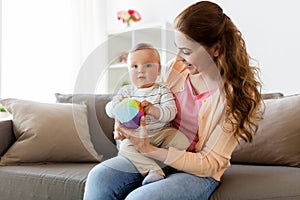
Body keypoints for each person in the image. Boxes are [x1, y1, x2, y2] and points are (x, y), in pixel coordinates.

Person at [84, 1, 263, 200]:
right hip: (156, 148)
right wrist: (125, 120)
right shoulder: (174, 69)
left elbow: (210, 162)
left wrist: (150, 150)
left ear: (216, 49)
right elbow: (142, 97)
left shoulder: (237, 95)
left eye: (186, 51)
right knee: (99, 177)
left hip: (196, 171)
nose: (177, 57)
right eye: (177, 48)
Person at [105, 42, 190, 185]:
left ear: (158, 71)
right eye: (135, 66)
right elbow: (109, 110)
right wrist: (117, 105)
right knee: (125, 148)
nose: (141, 71)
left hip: (161, 133)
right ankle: (153, 170)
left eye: (148, 65)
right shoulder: (127, 92)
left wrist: (153, 110)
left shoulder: (162, 90)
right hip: (135, 137)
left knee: (182, 141)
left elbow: (171, 112)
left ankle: (166, 162)